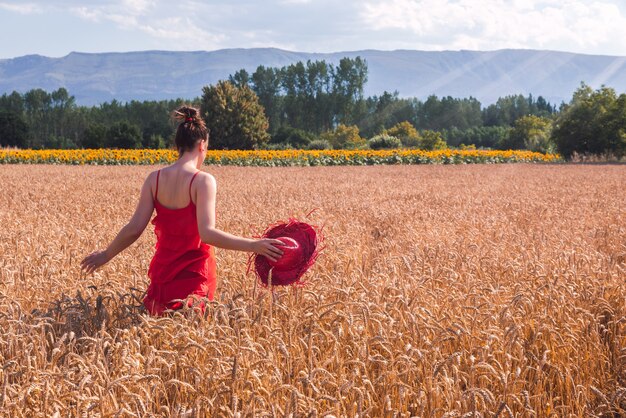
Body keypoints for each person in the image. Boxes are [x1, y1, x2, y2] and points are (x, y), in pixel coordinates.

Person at [81, 106, 284, 315]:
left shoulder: (155, 179)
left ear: (177, 145)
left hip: (163, 276)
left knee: (158, 339)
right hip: (195, 278)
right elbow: (207, 233)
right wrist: (255, 245)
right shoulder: (203, 181)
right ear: (203, 145)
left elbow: (134, 228)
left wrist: (106, 254)